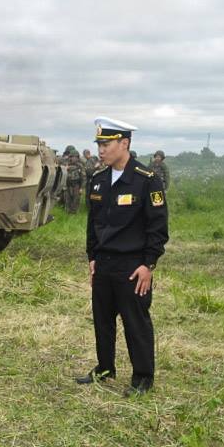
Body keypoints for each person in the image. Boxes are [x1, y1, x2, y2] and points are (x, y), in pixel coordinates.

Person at [75, 117, 169, 396]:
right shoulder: (98, 180)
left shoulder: (146, 181)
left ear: (124, 143)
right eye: (99, 144)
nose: (101, 150)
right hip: (104, 264)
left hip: (132, 266)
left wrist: (148, 264)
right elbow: (93, 224)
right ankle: (105, 368)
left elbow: (158, 228)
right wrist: (92, 256)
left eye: (106, 144)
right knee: (103, 320)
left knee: (135, 322)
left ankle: (142, 378)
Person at [63, 147, 87, 213]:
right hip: (68, 184)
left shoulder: (80, 165)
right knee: (68, 199)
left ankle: (74, 212)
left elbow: (83, 177)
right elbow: (63, 176)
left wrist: (82, 187)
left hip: (76, 185)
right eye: (72, 157)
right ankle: (68, 211)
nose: (73, 158)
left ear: (77, 157)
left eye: (75, 157)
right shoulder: (66, 164)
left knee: (76, 199)